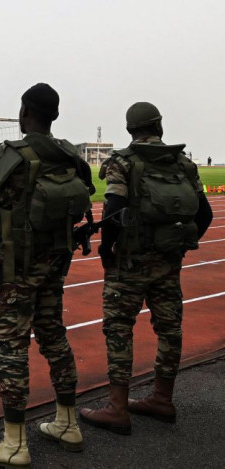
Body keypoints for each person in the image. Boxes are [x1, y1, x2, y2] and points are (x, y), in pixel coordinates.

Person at [0, 84, 93, 467]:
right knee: (53, 334)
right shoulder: (71, 155)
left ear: (24, 113)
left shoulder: (13, 156)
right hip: (56, 260)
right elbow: (86, 188)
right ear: (54, 116)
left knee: (11, 346)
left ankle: (14, 443)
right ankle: (68, 423)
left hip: (16, 266)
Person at [79, 102, 213, 434]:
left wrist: (107, 249)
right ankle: (162, 399)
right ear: (159, 126)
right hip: (168, 262)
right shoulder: (183, 164)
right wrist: (178, 244)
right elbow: (204, 214)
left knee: (119, 329)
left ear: (130, 130)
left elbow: (113, 207)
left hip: (129, 262)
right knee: (169, 329)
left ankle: (117, 408)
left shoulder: (122, 162)